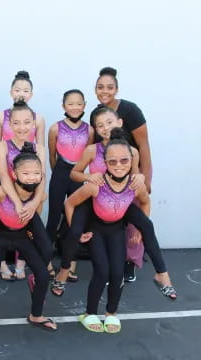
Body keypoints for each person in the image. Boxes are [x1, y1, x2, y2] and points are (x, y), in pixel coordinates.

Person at [53, 108, 176, 299]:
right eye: (100, 125)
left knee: (146, 225)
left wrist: (140, 178)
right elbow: (74, 173)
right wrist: (89, 176)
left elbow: (134, 177)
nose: (105, 128)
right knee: (74, 231)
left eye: (109, 123)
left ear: (119, 123)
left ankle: (162, 273)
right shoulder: (92, 150)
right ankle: (64, 269)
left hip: (120, 199)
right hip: (94, 199)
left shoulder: (132, 152)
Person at [66, 133, 170, 334]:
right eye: (112, 161)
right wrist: (76, 232)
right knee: (102, 271)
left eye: (124, 160)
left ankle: (111, 313)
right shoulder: (96, 184)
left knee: (117, 273)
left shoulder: (134, 183)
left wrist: (138, 228)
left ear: (132, 161)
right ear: (104, 162)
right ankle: (89, 313)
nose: (119, 165)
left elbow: (145, 202)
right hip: (96, 230)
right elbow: (70, 203)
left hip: (116, 231)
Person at [0, 147, 56, 340]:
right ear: (14, 174)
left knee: (43, 274)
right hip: (0, 237)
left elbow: (36, 210)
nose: (32, 178)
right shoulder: (1, 192)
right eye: (26, 173)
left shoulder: (39, 195)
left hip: (22, 236)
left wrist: (31, 226)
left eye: (36, 174)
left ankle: (36, 315)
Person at [91, 66, 153, 281]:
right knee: (114, 221)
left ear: (116, 89)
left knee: (135, 222)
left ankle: (131, 263)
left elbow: (144, 146)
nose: (104, 91)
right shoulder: (97, 114)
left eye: (109, 87)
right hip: (110, 178)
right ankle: (113, 261)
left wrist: (146, 177)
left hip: (132, 174)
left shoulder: (130, 110)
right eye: (100, 87)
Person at [0, 71, 46, 279]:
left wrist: (34, 200)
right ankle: (1, 264)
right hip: (7, 175)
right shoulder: (1, 116)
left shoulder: (38, 118)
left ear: (31, 94)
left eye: (25, 90)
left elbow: (40, 150)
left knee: (27, 219)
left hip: (30, 178)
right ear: (10, 92)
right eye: (17, 90)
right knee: (3, 218)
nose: (21, 94)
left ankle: (21, 262)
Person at [45, 89, 93, 282]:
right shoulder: (55, 128)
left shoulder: (89, 130)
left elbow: (89, 154)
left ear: (84, 105)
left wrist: (81, 175)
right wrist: (59, 173)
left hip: (78, 176)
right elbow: (51, 155)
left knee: (75, 221)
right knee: (54, 218)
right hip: (60, 174)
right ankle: (46, 261)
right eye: (70, 103)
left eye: (79, 103)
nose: (75, 107)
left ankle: (70, 264)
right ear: (63, 105)